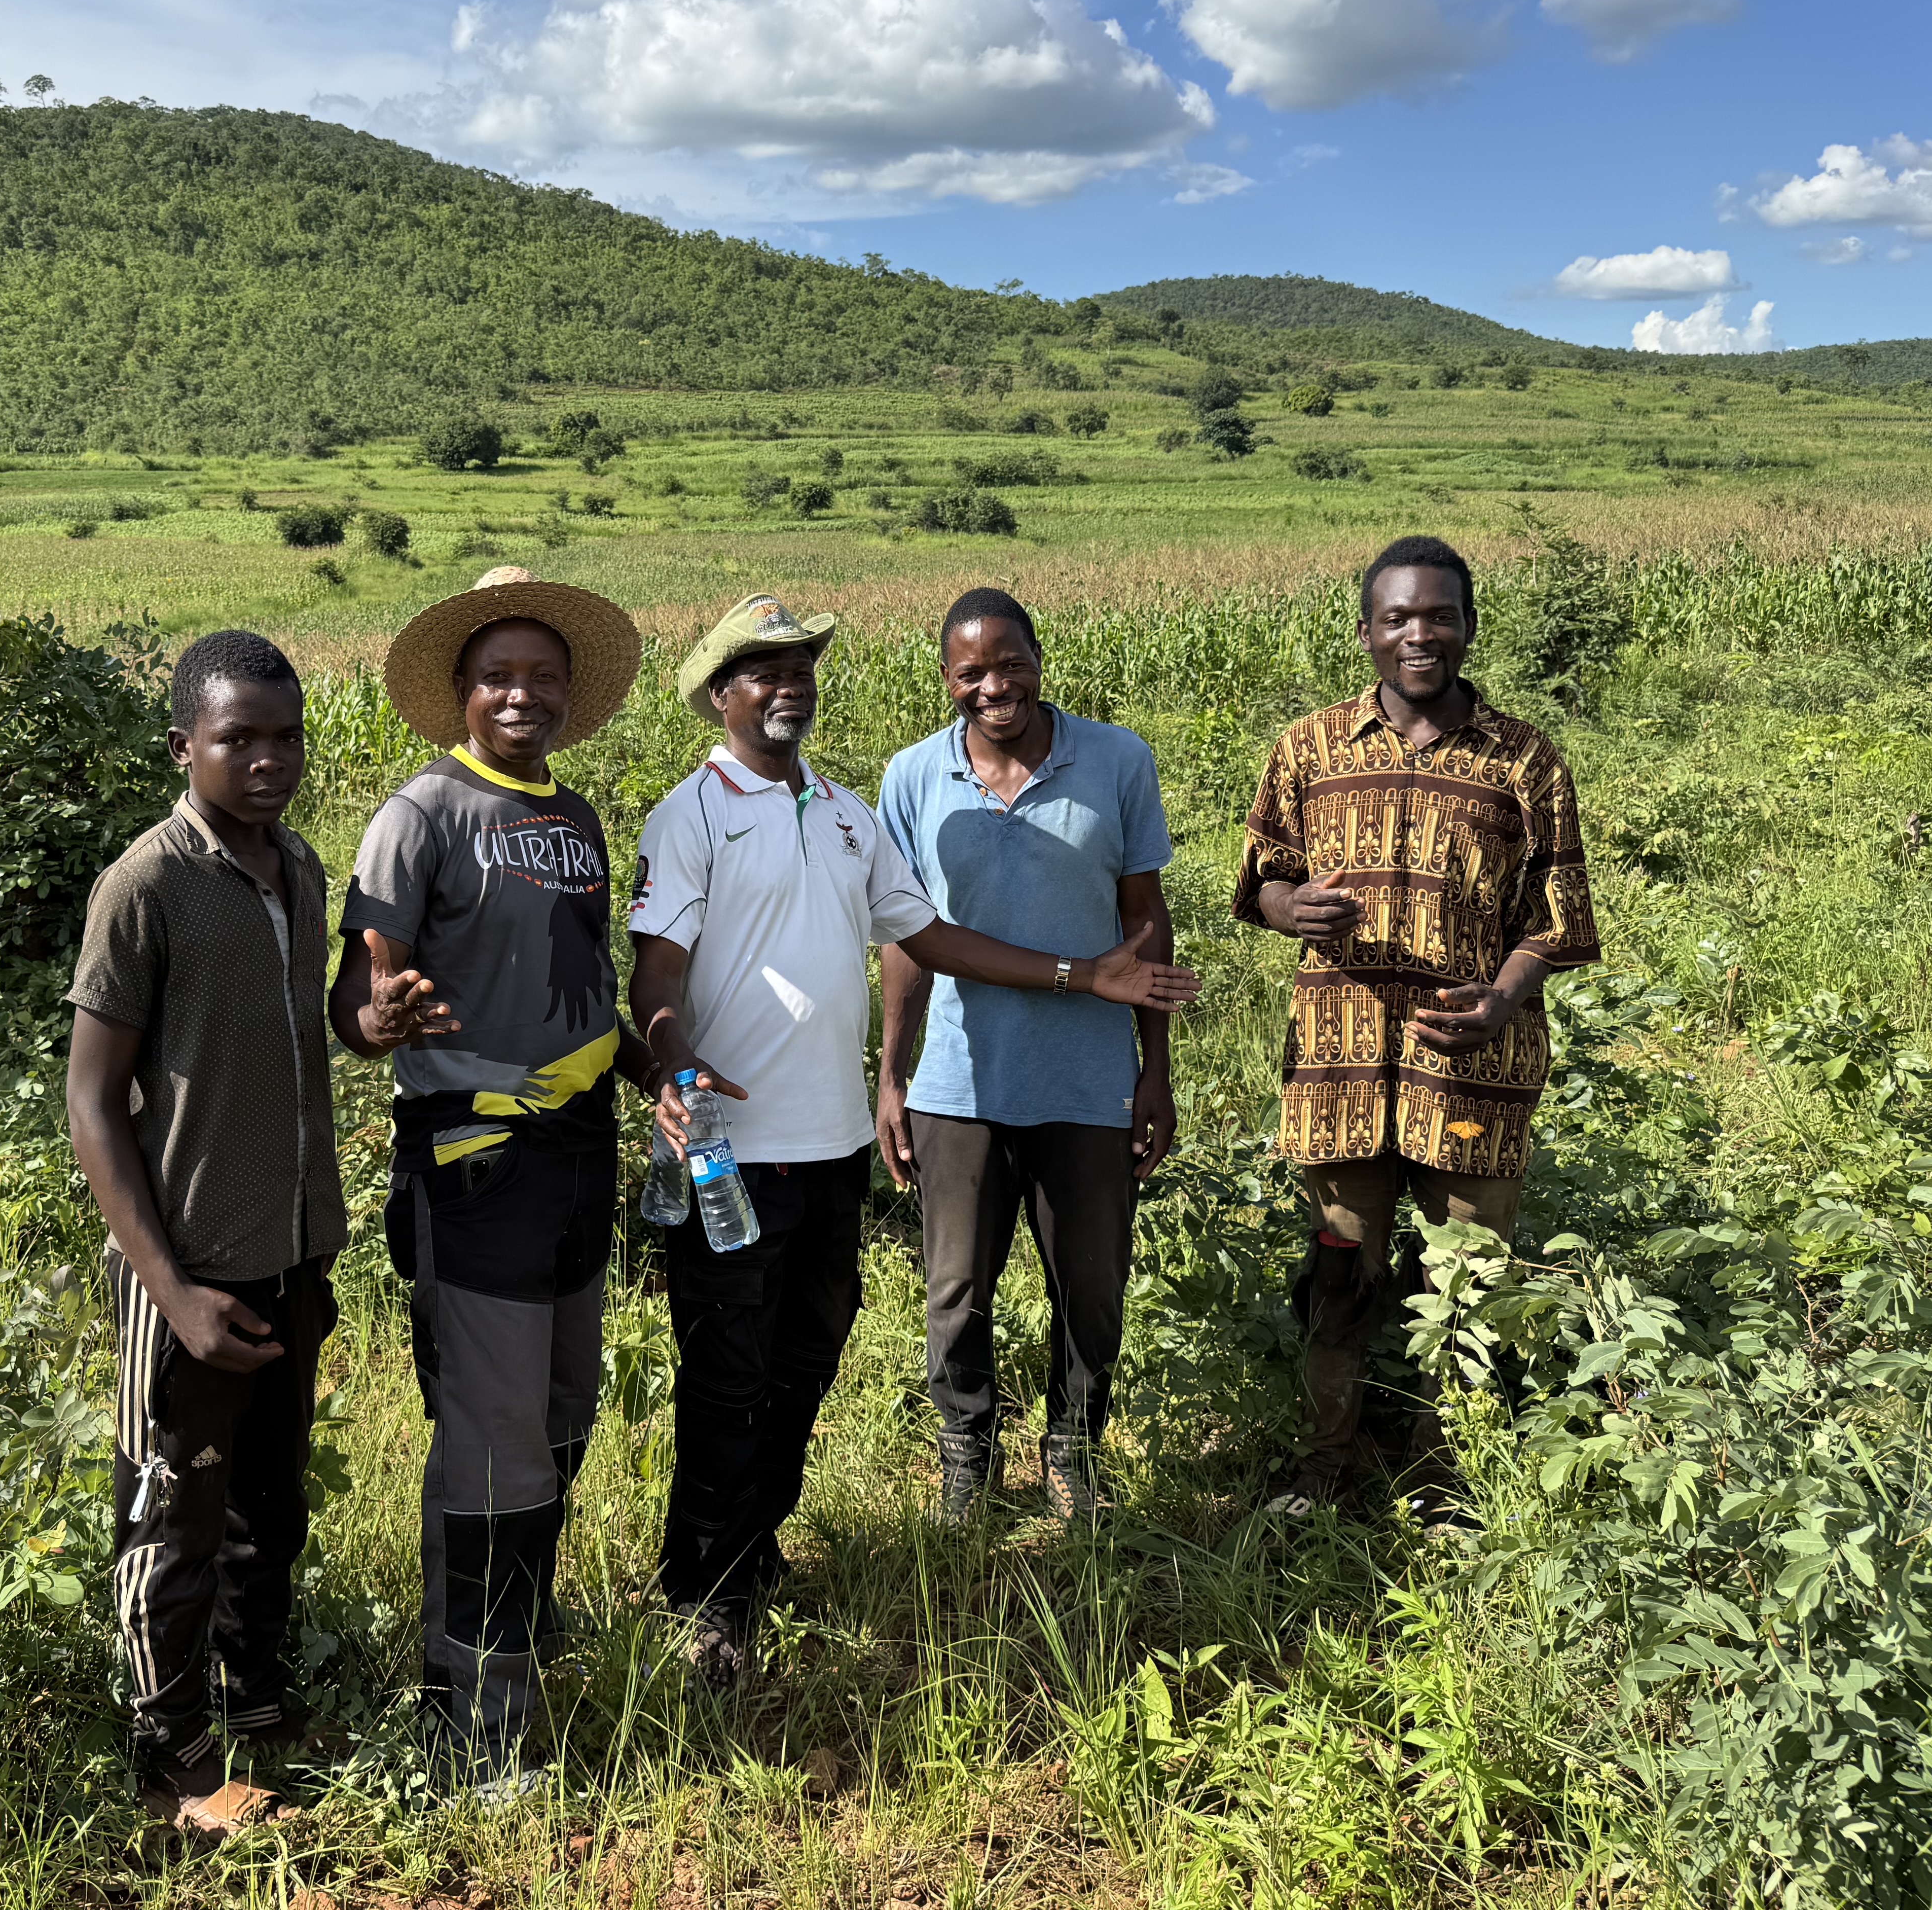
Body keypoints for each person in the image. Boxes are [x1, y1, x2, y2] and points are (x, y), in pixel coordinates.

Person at [628, 593, 1201, 1691]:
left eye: (800, 667)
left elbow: (933, 937)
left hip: (831, 1147)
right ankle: (707, 1593)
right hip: (729, 1150)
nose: (787, 685)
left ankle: (755, 1549)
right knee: (728, 1373)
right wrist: (671, 1060)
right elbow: (656, 970)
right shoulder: (689, 817)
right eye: (762, 670)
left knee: (807, 1361)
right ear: (719, 693)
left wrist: (1084, 976)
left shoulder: (848, 814)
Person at [329, 565, 662, 1778]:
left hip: (579, 1154)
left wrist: (658, 1077)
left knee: (565, 1413)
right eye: (499, 677)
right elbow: (358, 998)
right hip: (478, 1162)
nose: (523, 695)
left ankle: (523, 1625)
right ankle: (475, 1723)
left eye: (544, 676)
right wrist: (380, 1021)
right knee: (493, 1442)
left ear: (571, 692)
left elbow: (582, 993)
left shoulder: (576, 819)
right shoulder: (421, 814)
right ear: (462, 692)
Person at [1233, 535, 1600, 1521]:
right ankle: (1324, 1466)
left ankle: (1445, 1482)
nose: (1419, 634)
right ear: (1366, 632)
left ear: (1470, 626)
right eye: (1398, 617)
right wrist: (1293, 909)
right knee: (1338, 1277)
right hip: (1339, 1070)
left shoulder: (1526, 759)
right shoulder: (1309, 748)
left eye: (1440, 615)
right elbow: (1263, 879)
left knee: (1466, 1284)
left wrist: (1504, 997)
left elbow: (1558, 915)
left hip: (1474, 1069)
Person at [64, 630, 340, 1817]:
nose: (268, 760)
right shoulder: (147, 885)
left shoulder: (302, 869)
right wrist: (172, 1293)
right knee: (172, 1513)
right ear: (185, 747)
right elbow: (91, 1102)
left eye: (286, 737)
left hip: (291, 1255)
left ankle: (258, 1700)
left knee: (269, 1506)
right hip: (187, 1271)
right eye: (239, 740)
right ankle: (172, 1753)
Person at [876, 588, 1180, 1529]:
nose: (994, 686)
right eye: (971, 672)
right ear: (945, 679)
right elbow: (905, 938)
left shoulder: (1117, 759)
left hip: (1087, 1079)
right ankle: (966, 1456)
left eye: (1011, 664)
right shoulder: (913, 777)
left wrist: (1155, 1068)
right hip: (959, 1080)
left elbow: (1144, 920)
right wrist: (891, 1074)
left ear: (1040, 660)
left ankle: (1073, 1452)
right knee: (956, 1287)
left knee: (1090, 1283)